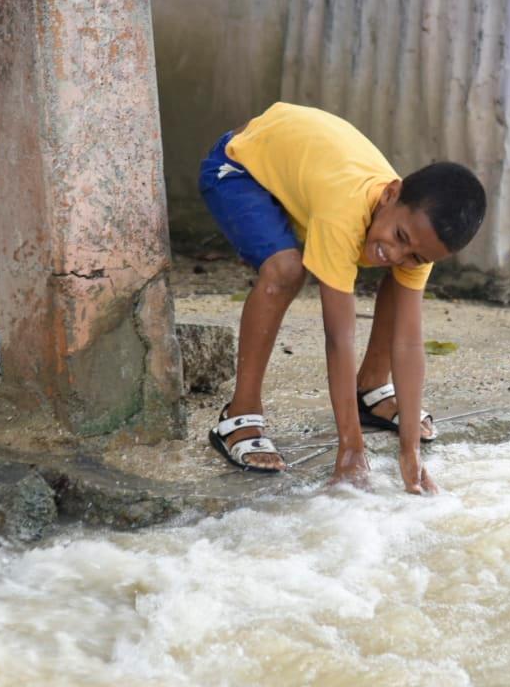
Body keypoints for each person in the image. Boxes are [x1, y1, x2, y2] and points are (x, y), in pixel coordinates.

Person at [199, 102, 487, 494]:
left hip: (297, 171)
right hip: (239, 168)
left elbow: (408, 340)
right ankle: (240, 413)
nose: (399, 254)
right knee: (286, 269)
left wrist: (409, 451)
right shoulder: (344, 211)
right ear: (391, 193)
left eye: (417, 256)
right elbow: (339, 337)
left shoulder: (419, 236)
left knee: (401, 284)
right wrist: (351, 447)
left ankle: (370, 388)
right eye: (400, 238)